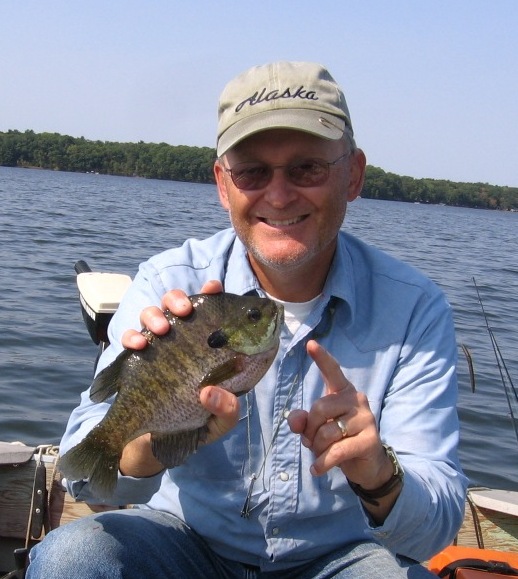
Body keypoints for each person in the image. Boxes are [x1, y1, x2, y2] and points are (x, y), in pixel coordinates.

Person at [27, 61, 467, 578]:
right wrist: (155, 433)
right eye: (253, 172)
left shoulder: (414, 308)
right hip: (186, 542)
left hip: (340, 560)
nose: (278, 195)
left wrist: (377, 474)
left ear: (353, 175)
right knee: (72, 559)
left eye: (307, 168)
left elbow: (433, 530)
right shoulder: (170, 283)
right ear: (222, 184)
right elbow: (85, 478)